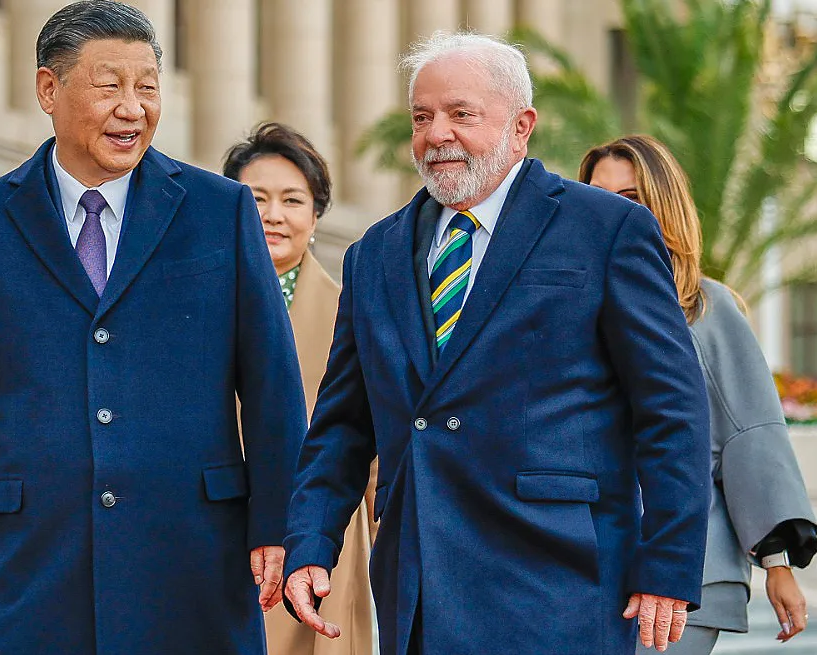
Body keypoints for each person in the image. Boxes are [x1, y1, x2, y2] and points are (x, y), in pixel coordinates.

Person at [282, 32, 712, 655]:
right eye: (422, 117)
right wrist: (311, 543)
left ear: (521, 126)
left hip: (561, 582)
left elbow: (672, 410)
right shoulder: (372, 254)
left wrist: (667, 567)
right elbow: (344, 423)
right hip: (419, 584)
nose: (436, 135)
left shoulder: (607, 229)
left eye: (461, 114)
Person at [0, 2, 306, 653]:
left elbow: (272, 384)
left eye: (147, 87)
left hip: (195, 555)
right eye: (109, 87)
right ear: (49, 88)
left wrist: (282, 524)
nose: (133, 108)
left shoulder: (221, 212)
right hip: (40, 562)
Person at [581, 134, 817, 655]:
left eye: (632, 199)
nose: (611, 212)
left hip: (690, 568)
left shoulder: (706, 308)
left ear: (663, 207)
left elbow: (751, 434)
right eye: (598, 196)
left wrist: (777, 565)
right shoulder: (575, 308)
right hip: (590, 563)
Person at [223, 122, 377, 655]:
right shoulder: (191, 308)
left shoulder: (350, 310)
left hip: (317, 535)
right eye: (255, 198)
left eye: (293, 200)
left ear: (315, 215)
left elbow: (373, 434)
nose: (273, 215)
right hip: (219, 526)